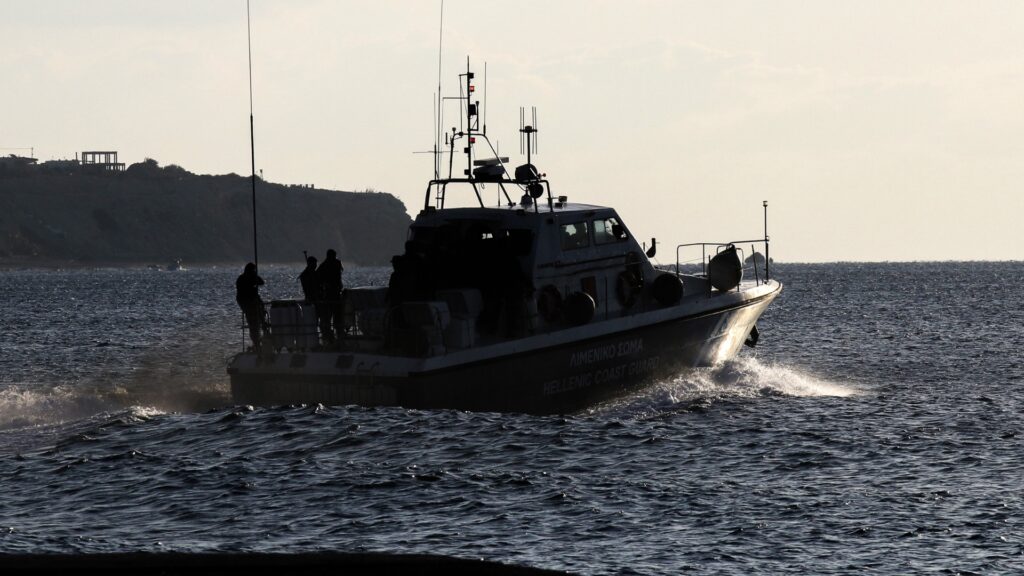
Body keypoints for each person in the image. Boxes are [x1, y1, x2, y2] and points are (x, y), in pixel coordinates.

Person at [235, 262, 265, 350]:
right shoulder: (242, 279)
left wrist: (255, 276)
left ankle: (260, 339)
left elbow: (261, 282)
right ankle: (256, 343)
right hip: (247, 302)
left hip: (252, 302)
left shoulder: (250, 277)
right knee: (253, 322)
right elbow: (244, 291)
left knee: (259, 319)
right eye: (253, 270)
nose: (254, 272)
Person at [316, 249, 344, 342]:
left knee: (332, 319)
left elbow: (317, 278)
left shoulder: (326, 265)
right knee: (331, 319)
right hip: (331, 296)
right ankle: (333, 337)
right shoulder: (334, 264)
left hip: (332, 296)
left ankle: (331, 337)